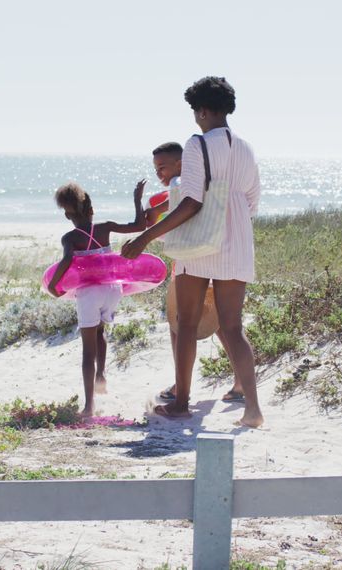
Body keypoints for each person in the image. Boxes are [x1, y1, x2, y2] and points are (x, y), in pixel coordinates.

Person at [123, 76, 264, 428]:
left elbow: (190, 201)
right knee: (232, 326)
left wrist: (145, 238)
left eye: (194, 111)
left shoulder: (197, 145)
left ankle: (182, 404)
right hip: (237, 239)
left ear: (202, 110)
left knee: (186, 324)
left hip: (200, 242)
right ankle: (253, 410)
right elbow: (252, 202)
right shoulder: (246, 147)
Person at [146, 142, 244, 404]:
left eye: (162, 167)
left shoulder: (180, 183)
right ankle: (241, 382)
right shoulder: (196, 182)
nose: (160, 174)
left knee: (180, 327)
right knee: (223, 323)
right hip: (212, 259)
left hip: (190, 266)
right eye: (156, 169)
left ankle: (181, 388)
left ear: (180, 164)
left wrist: (152, 218)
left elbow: (178, 213)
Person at [48, 180, 147, 417]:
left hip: (89, 293)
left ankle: (89, 406)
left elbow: (66, 261)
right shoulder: (105, 227)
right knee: (100, 331)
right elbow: (139, 226)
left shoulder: (69, 238)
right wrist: (136, 199)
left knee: (87, 351)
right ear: (91, 210)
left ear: (67, 215)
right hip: (113, 289)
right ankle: (101, 374)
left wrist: (53, 286)